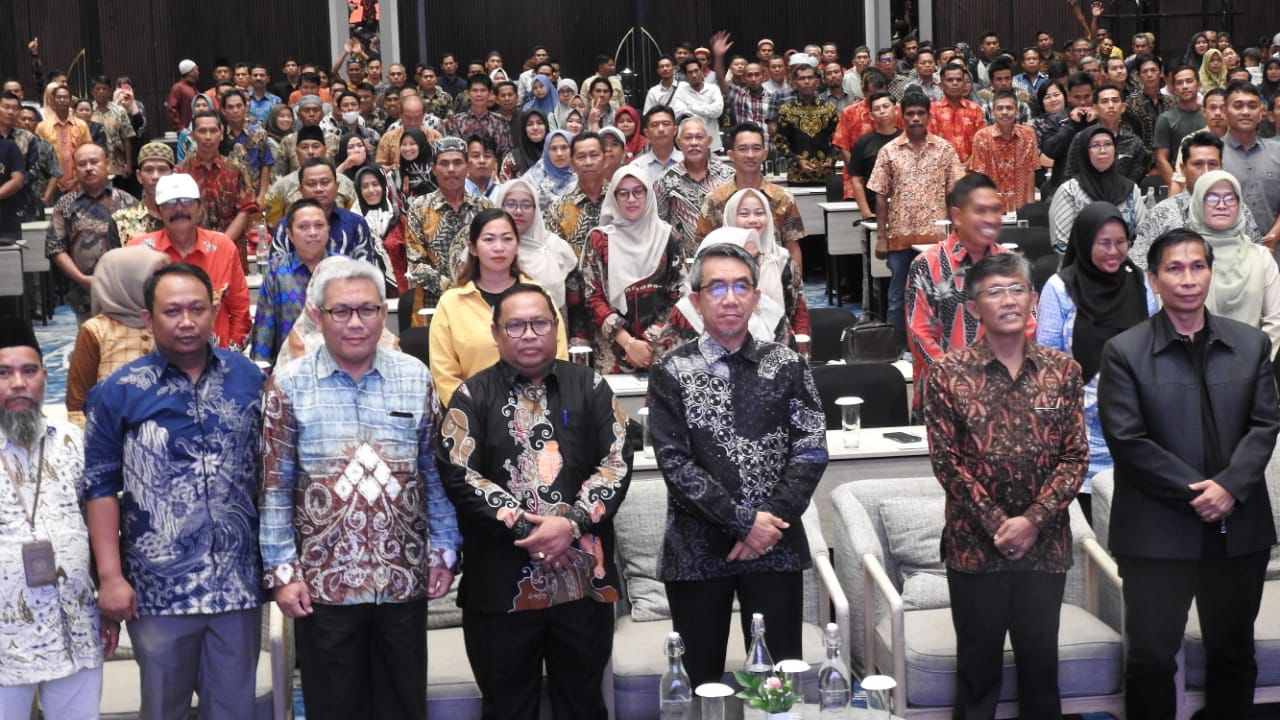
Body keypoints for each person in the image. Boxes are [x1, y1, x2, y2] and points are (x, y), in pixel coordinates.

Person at [260, 256, 459, 720]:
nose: (356, 323)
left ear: (383, 312)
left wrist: (444, 549)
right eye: (341, 311)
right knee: (335, 708)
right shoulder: (289, 385)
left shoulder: (413, 376)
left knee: (402, 706)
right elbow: (274, 487)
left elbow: (434, 474)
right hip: (324, 585)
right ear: (317, 316)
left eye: (368, 310)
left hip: (403, 579)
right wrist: (283, 573)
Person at [1098, 228, 1280, 720]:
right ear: (1153, 280)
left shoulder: (1250, 344)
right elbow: (1128, 441)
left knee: (1234, 654)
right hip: (1156, 534)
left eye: (1198, 266)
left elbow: (1265, 424)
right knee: (1152, 660)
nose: (1188, 279)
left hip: (1238, 531)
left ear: (1210, 273)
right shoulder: (1124, 351)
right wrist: (1201, 493)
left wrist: (1230, 488)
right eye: (1174, 269)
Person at [436, 281, 631, 719]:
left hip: (584, 586)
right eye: (516, 325)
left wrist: (571, 523)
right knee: (507, 709)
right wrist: (532, 530)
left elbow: (617, 461)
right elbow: (460, 474)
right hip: (499, 588)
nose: (529, 334)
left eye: (539, 323)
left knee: (582, 706)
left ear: (555, 328)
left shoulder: (591, 386)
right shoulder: (470, 397)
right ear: (496, 333)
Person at [83, 262, 266, 719]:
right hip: (157, 591)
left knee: (235, 710)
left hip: (237, 584)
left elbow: (272, 474)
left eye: (197, 309)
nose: (187, 322)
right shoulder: (118, 392)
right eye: (172, 311)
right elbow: (100, 488)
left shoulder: (249, 379)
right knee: (164, 708)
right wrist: (110, 576)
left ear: (214, 311)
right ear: (148, 319)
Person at [648, 239, 827, 687]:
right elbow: (675, 464)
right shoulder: (671, 370)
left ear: (756, 296)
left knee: (778, 682)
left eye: (740, 286)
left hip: (774, 546)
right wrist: (743, 523)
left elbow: (810, 449)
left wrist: (767, 524)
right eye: (717, 287)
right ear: (696, 301)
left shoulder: (787, 365)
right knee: (700, 683)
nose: (730, 298)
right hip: (696, 549)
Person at [923, 251, 1087, 720]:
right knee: (978, 676)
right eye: (995, 292)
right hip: (975, 548)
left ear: (1033, 300)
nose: (1009, 300)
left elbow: (1075, 457)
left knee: (1041, 674)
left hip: (1045, 547)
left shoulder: (1063, 371)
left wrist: (1031, 522)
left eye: (1017, 289)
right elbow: (948, 463)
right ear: (973, 307)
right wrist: (1000, 525)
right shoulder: (947, 373)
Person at [0, 321, 114, 719]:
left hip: (74, 626)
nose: (18, 383)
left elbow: (99, 527)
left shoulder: (73, 440)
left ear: (45, 376)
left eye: (29, 371)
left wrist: (107, 601)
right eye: (4, 373)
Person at [1036, 202, 1156, 521]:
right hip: (1081, 428)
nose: (1114, 251)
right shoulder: (1059, 288)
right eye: (1104, 243)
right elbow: (1047, 366)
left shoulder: (1141, 283)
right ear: (1085, 241)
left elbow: (1154, 351)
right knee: (1091, 525)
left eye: (1120, 242)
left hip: (1133, 425)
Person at [906, 173, 1032, 396]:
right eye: (981, 211)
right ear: (957, 216)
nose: (991, 219)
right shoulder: (927, 264)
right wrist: (959, 383)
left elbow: (1029, 324)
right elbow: (920, 335)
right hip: (944, 393)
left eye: (996, 210)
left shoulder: (1012, 264)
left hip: (1004, 391)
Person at [430, 208, 569, 405]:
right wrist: (472, 412)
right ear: (473, 248)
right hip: (476, 412)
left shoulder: (539, 296)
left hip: (539, 408)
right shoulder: (451, 303)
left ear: (517, 245)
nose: (498, 247)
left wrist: (538, 408)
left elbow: (560, 356)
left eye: (507, 239)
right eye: (489, 239)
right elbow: (444, 376)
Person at [868, 93, 966, 339]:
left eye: (920, 113)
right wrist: (881, 237)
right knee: (898, 297)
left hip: (937, 238)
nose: (915, 118)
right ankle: (897, 349)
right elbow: (880, 196)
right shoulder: (889, 151)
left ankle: (941, 346)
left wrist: (958, 234)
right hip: (900, 237)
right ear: (901, 117)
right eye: (910, 114)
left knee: (941, 295)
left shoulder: (944, 149)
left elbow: (956, 194)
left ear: (929, 116)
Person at [580, 165, 685, 374]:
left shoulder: (668, 237)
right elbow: (593, 298)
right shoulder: (599, 240)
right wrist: (628, 343)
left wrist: (648, 343)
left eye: (638, 191)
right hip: (613, 350)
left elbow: (679, 295)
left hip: (662, 348)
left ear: (649, 194)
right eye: (623, 193)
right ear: (613, 197)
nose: (631, 199)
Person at [128, 174, 252, 349]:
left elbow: (240, 308)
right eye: (170, 202)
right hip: (156, 358)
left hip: (217, 356)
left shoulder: (223, 247)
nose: (179, 209)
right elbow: (129, 314)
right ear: (158, 211)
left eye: (186, 201)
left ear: (200, 208)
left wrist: (232, 354)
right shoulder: (137, 251)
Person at [65, 246, 168, 426]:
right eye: (154, 278)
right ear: (127, 283)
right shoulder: (97, 330)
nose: (164, 285)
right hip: (111, 434)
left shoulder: (171, 322)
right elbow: (77, 405)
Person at [1132, 130, 1261, 267]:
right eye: (1198, 164)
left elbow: (1257, 260)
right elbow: (1139, 265)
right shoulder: (1161, 214)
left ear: (1221, 168)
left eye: (1212, 164)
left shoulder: (1239, 211)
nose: (1206, 171)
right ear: (1183, 168)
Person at [1185, 169, 1280, 349]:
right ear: (1197, 202)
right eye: (1211, 197)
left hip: (1252, 359)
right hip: (1192, 359)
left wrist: (1256, 358)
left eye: (1230, 198)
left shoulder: (1260, 257)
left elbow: (1276, 320)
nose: (1222, 205)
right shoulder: (1183, 257)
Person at [45, 143, 138, 322]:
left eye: (94, 162)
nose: (88, 168)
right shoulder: (64, 205)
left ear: (107, 164)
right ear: (75, 169)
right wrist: (82, 279)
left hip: (125, 293)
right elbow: (55, 248)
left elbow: (140, 247)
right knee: (89, 338)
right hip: (83, 293)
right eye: (82, 164)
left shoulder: (127, 202)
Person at [694, 122, 805, 272]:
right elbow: (703, 248)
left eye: (756, 148)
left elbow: (792, 246)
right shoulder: (714, 200)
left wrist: (795, 283)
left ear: (765, 154)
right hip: (728, 276)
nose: (750, 155)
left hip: (774, 275)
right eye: (743, 149)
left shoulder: (783, 198)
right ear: (731, 155)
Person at [404, 137, 494, 314]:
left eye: (457, 163)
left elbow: (493, 254)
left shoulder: (485, 207)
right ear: (433, 169)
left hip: (480, 301)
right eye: (444, 163)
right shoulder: (419, 208)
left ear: (468, 167)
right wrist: (454, 290)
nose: (451, 169)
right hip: (433, 304)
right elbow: (416, 263)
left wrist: (474, 289)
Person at [251, 200, 335, 365]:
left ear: (328, 230)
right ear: (290, 234)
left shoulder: (344, 267)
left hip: (337, 365)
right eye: (303, 227)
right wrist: (262, 367)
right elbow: (265, 322)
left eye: (319, 225)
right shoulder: (277, 269)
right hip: (288, 365)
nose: (313, 232)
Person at [179, 110, 256, 270]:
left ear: (221, 134)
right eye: (202, 131)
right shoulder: (180, 173)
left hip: (231, 250)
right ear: (193, 135)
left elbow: (244, 211)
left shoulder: (236, 169)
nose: (208, 136)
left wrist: (221, 244)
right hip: (192, 252)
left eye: (213, 131)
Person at [1049, 126, 1146, 253]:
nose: (1103, 150)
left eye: (1108, 144)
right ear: (1084, 151)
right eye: (1095, 145)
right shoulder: (1069, 191)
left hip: (1126, 261)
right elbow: (1061, 245)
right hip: (1081, 263)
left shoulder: (1130, 189)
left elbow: (1144, 236)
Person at [493, 178, 579, 320]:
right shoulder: (488, 249)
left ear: (536, 210)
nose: (518, 211)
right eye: (511, 204)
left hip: (553, 327)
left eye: (526, 205)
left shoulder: (555, 246)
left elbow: (575, 302)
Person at [654, 116, 734, 255]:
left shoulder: (729, 176)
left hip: (724, 255)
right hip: (682, 260)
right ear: (678, 143)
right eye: (688, 138)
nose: (694, 143)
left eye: (699, 137)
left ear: (708, 141)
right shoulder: (665, 180)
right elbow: (659, 224)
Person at [1221, 81, 1280, 246]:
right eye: (1238, 106)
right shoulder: (1212, 155)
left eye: (1252, 106)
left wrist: (1274, 235)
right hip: (1226, 250)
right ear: (1225, 111)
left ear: (1261, 112)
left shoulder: (1277, 151)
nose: (1246, 112)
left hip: (1274, 251)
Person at [968, 89, 1041, 212]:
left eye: (1009, 108)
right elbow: (979, 176)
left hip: (1021, 204)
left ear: (1017, 111)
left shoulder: (1028, 134)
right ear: (993, 112)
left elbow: (1030, 171)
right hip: (992, 205)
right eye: (1000, 108)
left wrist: (1030, 208)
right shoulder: (981, 136)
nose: (1005, 112)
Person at [774, 63, 839, 186]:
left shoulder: (829, 108)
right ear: (794, 83)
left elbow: (838, 140)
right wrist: (797, 160)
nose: (806, 81)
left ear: (817, 82)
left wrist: (831, 159)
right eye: (802, 78)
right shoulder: (786, 110)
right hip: (797, 176)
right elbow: (779, 142)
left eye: (810, 77)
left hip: (825, 174)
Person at [544, 131, 609, 255]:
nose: (588, 162)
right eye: (581, 157)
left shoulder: (621, 199)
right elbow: (554, 256)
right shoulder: (558, 210)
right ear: (572, 164)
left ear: (605, 160)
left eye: (594, 155)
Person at [354, 165, 407, 294]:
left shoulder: (398, 217)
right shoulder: (352, 222)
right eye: (365, 186)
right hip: (364, 290)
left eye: (375, 184)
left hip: (401, 288)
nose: (371, 190)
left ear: (383, 185)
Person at [112, 142, 174, 243]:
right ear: (139, 176)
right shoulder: (121, 220)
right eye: (149, 170)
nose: (155, 176)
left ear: (173, 174)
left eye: (162, 169)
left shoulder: (186, 217)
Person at [1153, 65, 1206, 185]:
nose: (1185, 86)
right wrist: (1177, 187)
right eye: (1179, 83)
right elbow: (1161, 159)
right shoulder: (1165, 119)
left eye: (1189, 81)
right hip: (1179, 178)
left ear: (1198, 84)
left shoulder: (1208, 115)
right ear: (1174, 89)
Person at [448, 74, 514, 158]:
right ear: (468, 94)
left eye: (483, 90)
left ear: (490, 93)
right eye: (475, 90)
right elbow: (454, 152)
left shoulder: (500, 121)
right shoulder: (456, 121)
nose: (479, 94)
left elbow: (507, 153)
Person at [669, 57, 725, 153]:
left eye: (696, 71)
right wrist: (708, 112)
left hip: (713, 145)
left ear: (701, 71)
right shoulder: (681, 91)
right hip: (690, 145)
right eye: (690, 72)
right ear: (686, 75)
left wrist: (693, 108)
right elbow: (681, 114)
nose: (694, 75)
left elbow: (718, 111)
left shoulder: (713, 89)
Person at [523, 128, 576, 210]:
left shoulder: (581, 175)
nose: (559, 153)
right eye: (553, 149)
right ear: (547, 151)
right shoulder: (536, 174)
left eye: (564, 147)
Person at [628, 105, 681, 186]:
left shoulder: (689, 162)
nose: (661, 129)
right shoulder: (636, 167)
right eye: (655, 125)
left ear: (675, 130)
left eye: (666, 124)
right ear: (646, 133)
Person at [501, 109, 548, 181]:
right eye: (529, 124)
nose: (535, 128)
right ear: (524, 129)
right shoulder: (512, 159)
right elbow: (503, 186)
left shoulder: (555, 154)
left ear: (546, 127)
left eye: (540, 123)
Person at [166, 59, 200, 130]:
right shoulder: (178, 88)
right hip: (185, 130)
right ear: (191, 72)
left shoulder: (193, 88)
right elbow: (171, 109)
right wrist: (180, 128)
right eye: (196, 69)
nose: (198, 72)